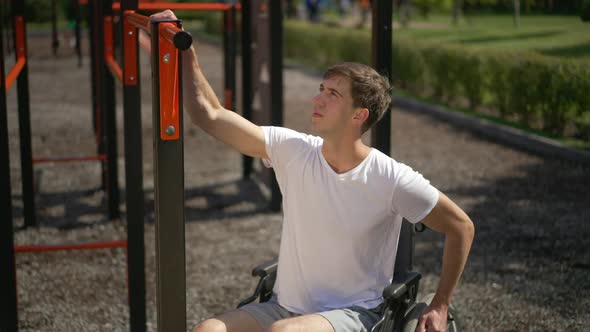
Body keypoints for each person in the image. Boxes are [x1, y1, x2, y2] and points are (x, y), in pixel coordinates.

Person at [150, 10, 474, 332]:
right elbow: (210, 115)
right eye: (321, 88)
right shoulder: (294, 150)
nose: (317, 99)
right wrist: (185, 52)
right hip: (283, 307)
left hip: (353, 314)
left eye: (332, 94)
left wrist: (440, 304)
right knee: (206, 331)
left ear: (358, 115)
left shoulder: (390, 178)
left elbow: (461, 226)